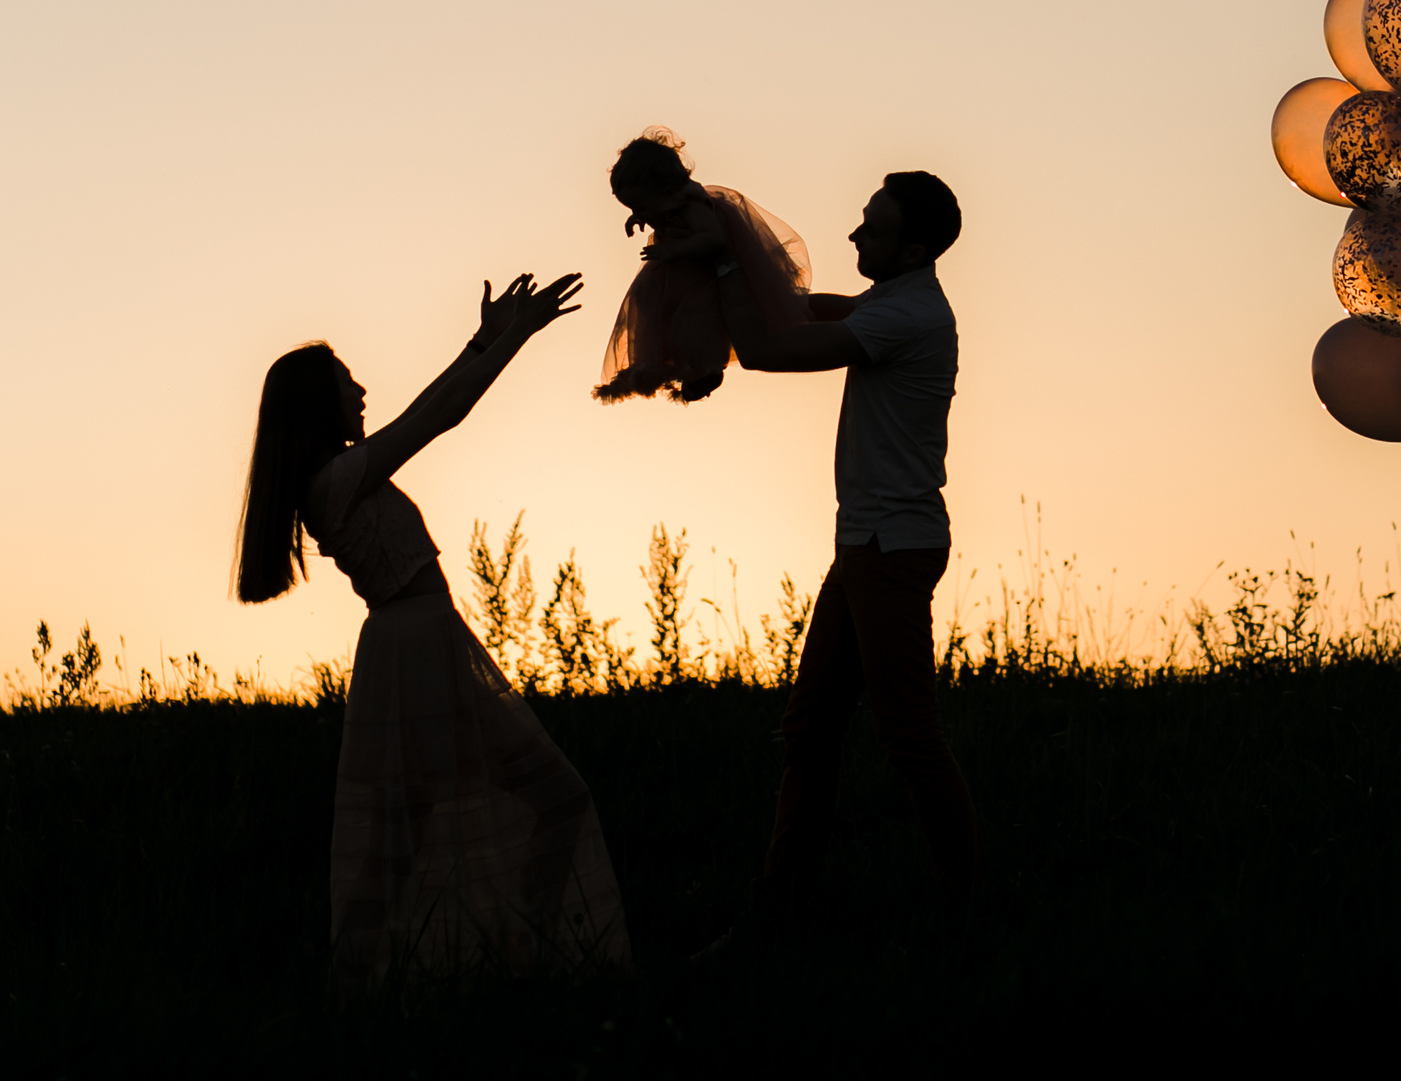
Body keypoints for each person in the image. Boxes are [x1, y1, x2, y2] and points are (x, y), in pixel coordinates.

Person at [234, 272, 628, 982]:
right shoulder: (335, 482)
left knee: (419, 834)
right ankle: (511, 953)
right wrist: (509, 337)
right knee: (516, 806)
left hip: (425, 641)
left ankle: (473, 956)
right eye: (347, 383)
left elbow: (437, 406)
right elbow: (440, 411)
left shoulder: (344, 475)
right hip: (414, 649)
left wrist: (488, 338)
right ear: (318, 406)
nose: (359, 392)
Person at [697, 170, 978, 942]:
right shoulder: (896, 301)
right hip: (867, 545)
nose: (854, 235)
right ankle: (781, 902)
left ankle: (977, 902)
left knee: (908, 734)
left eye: (871, 228)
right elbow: (804, 311)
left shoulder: (910, 314)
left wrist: (724, 263)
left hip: (890, 549)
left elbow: (765, 351)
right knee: (811, 727)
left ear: (913, 248)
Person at [593, 126, 813, 405]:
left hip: (705, 275)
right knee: (653, 310)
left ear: (663, 187)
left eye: (640, 204)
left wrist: (674, 249)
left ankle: (705, 368)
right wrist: (641, 216)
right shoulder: (663, 204)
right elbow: (656, 213)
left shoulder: (692, 203)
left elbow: (714, 239)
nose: (640, 212)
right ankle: (664, 362)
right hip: (675, 273)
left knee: (697, 321)